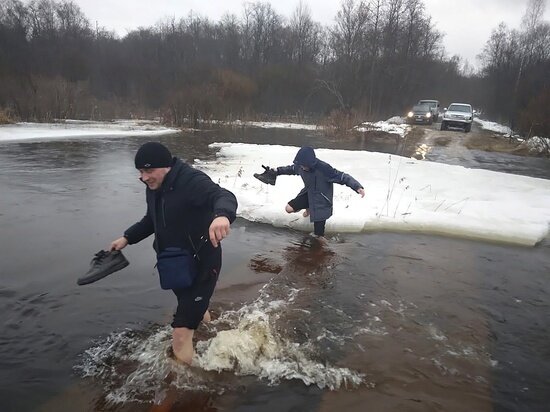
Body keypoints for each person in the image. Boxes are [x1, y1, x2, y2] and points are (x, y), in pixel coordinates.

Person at [110, 142, 237, 365]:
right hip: (175, 265)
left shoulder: (191, 181)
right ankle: (210, 332)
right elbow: (152, 219)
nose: (144, 177)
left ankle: (185, 389)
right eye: (140, 172)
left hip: (202, 264)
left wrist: (222, 216)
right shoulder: (154, 187)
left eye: (148, 171)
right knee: (196, 309)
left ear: (166, 166)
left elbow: (223, 195)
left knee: (179, 334)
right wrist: (127, 238)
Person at [259, 146, 365, 240]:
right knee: (288, 209)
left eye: (305, 165)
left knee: (319, 237)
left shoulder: (324, 168)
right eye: (301, 165)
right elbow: (290, 169)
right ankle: (309, 208)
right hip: (308, 193)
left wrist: (357, 187)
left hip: (321, 201)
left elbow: (343, 177)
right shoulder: (300, 165)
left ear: (311, 163)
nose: (303, 168)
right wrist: (276, 171)